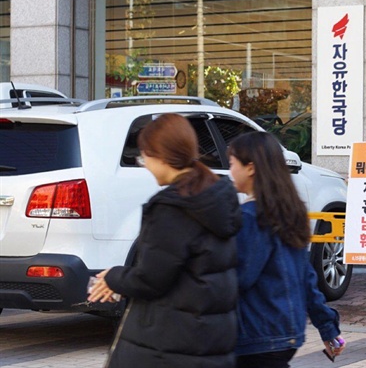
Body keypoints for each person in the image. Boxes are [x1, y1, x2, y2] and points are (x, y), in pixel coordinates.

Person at [88, 113, 241, 368]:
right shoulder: (215, 196)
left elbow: (150, 280)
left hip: (169, 343)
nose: (144, 165)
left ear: (159, 155)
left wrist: (113, 277)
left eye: (143, 157)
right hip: (210, 339)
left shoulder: (172, 208)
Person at [227, 131, 345, 368]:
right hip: (285, 334)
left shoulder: (252, 218)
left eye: (232, 163)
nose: (229, 171)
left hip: (257, 334)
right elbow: (307, 279)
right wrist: (328, 327)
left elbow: (238, 278)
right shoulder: (288, 214)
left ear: (250, 168)